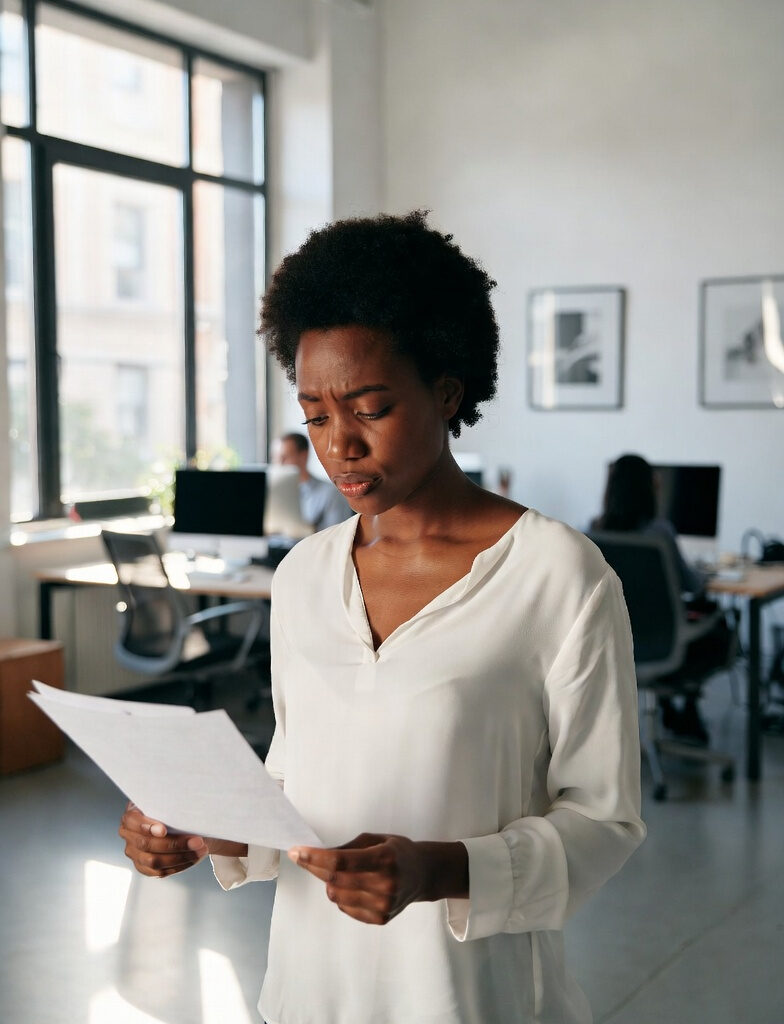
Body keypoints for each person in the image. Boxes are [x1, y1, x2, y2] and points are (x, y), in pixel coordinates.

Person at [119, 211, 646, 1024]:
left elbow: (604, 820)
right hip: (311, 988)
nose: (341, 447)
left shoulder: (556, 574)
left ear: (446, 389)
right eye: (317, 416)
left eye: (369, 407)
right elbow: (294, 791)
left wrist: (440, 870)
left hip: (471, 998)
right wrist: (203, 830)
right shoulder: (304, 577)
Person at [591, 452, 734, 743]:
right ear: (650, 489)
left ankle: (672, 711)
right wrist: (708, 575)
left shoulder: (594, 532)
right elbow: (692, 585)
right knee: (718, 624)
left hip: (612, 647)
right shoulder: (659, 533)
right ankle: (685, 712)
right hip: (663, 649)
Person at [274, 430, 353, 531]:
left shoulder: (331, 494)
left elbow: (337, 537)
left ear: (303, 456)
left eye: (285, 458)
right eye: (275, 458)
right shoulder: (275, 494)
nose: (279, 464)